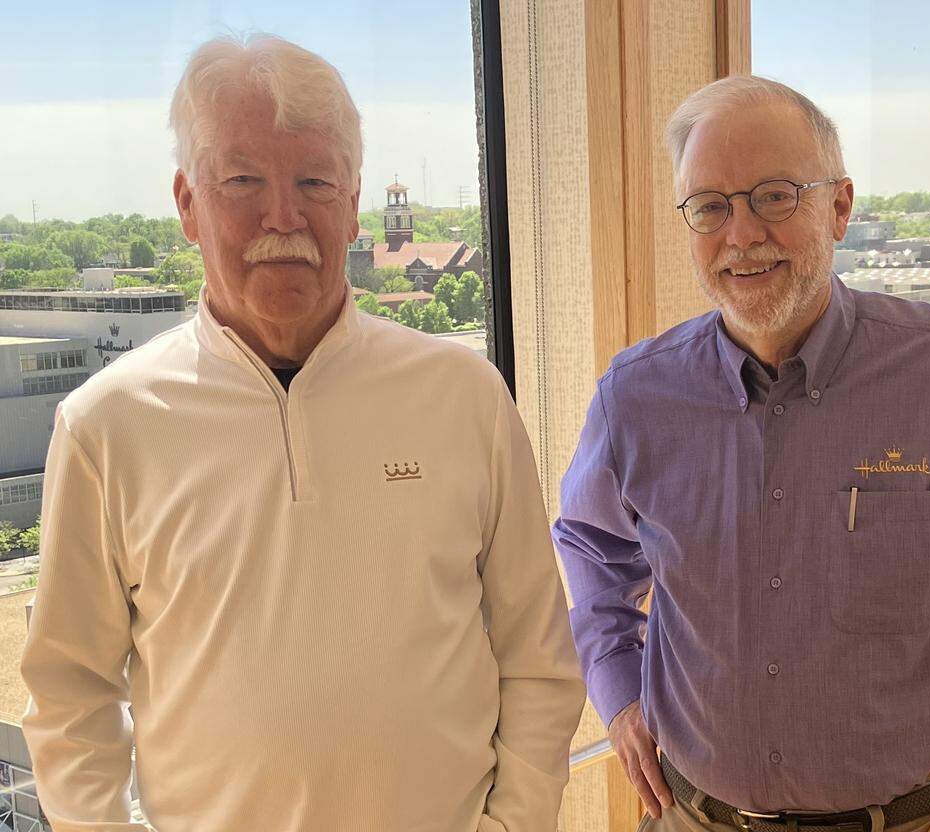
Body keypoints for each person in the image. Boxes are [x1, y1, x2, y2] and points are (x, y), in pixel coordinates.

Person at [21, 33, 584, 832]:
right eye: (242, 180)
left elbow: (538, 655)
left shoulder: (465, 397)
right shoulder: (106, 426)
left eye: (314, 180)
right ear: (187, 203)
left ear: (352, 205)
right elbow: (69, 695)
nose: (282, 216)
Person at [553, 75, 930, 832]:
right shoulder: (636, 396)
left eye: (774, 196)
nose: (742, 234)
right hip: (692, 816)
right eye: (710, 206)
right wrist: (617, 686)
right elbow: (590, 545)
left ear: (839, 207)